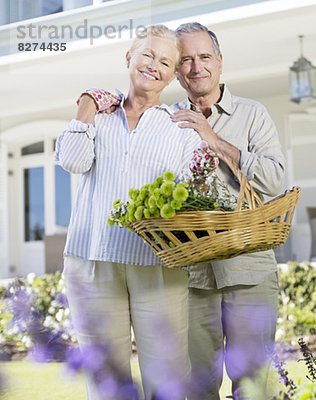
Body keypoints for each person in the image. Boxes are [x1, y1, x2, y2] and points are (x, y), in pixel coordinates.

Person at [55, 25, 203, 400]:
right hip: (92, 262)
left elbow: (197, 193)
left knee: (166, 379)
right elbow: (72, 160)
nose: (154, 66)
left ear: (172, 76)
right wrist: (87, 103)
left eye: (165, 62)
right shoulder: (101, 115)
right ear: (129, 59)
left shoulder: (180, 127)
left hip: (158, 264)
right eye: (148, 55)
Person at [170, 23, 285, 399]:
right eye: (185, 59)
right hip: (192, 281)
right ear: (175, 69)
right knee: (197, 389)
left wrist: (213, 140)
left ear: (219, 63)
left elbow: (275, 181)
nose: (195, 67)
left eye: (204, 57)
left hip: (249, 272)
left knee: (253, 388)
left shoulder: (252, 115)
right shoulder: (166, 122)